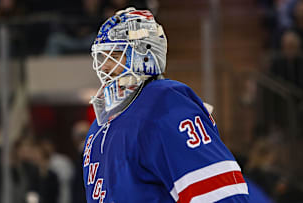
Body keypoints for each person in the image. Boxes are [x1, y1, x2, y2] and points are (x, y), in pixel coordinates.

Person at [83, 7, 249, 202]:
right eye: (102, 56)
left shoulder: (163, 103)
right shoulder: (97, 128)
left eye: (116, 53)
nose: (104, 65)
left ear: (144, 53)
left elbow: (219, 194)